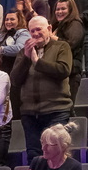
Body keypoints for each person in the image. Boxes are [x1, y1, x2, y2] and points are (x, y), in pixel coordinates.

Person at [11, 16, 73, 159]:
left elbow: (63, 70)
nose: (35, 34)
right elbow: (15, 80)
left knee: (56, 152)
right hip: (30, 113)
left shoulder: (62, 46)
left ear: (49, 29)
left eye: (39, 29)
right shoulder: (23, 52)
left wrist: (37, 61)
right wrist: (27, 58)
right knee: (34, 154)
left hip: (56, 110)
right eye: (32, 31)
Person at [51, 0, 85, 100]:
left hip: (71, 72)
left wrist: (52, 37)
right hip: (58, 71)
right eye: (57, 9)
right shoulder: (56, 26)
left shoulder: (76, 24)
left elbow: (70, 45)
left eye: (63, 9)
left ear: (71, 10)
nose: (59, 12)